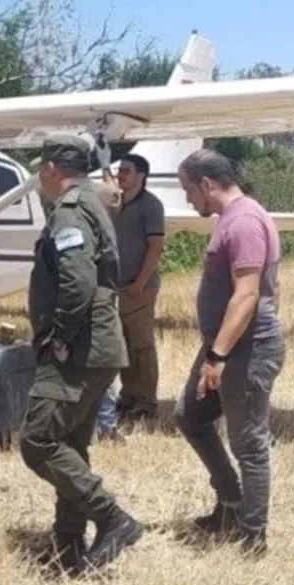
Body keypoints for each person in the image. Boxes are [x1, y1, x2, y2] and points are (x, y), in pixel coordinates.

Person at [21, 136, 141, 575]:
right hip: (98, 346)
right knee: (70, 444)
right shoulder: (90, 202)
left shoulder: (70, 210)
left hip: (81, 349)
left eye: (41, 168)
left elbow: (77, 282)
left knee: (37, 441)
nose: (39, 176)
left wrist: (60, 336)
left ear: (51, 168)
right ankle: (68, 548)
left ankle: (112, 518)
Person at [172, 148, 284, 558]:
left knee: (249, 445)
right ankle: (231, 502)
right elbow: (273, 288)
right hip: (226, 344)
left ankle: (253, 536)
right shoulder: (231, 219)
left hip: (243, 350)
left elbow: (248, 293)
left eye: (189, 190)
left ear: (206, 184)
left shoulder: (244, 221)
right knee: (190, 415)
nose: (189, 200)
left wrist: (218, 356)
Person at [111, 153, 165, 422]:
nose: (120, 175)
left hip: (139, 288)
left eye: (126, 171)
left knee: (142, 346)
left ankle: (146, 402)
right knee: (123, 344)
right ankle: (128, 396)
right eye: (119, 170)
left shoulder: (151, 205)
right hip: (118, 287)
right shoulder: (116, 204)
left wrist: (140, 284)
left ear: (141, 176)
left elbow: (156, 247)